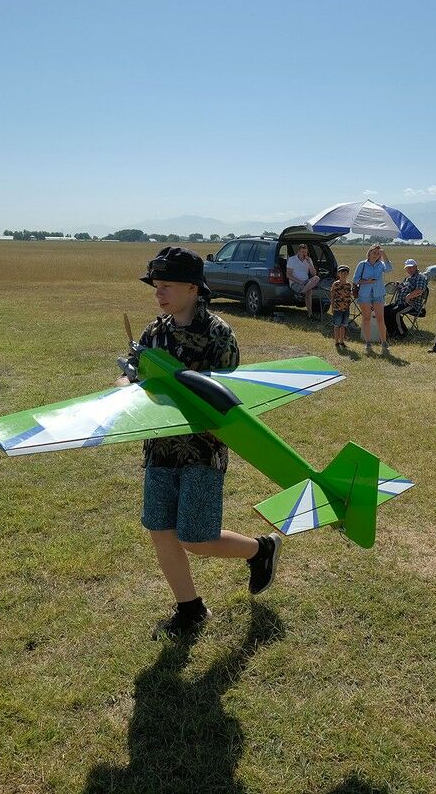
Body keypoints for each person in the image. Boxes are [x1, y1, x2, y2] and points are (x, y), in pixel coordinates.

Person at [126, 247, 282, 638]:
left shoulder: (218, 334)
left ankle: (260, 549)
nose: (158, 293)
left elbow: (226, 398)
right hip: (159, 449)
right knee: (160, 530)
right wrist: (124, 385)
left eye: (167, 285)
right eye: (156, 286)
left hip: (202, 452)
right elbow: (132, 377)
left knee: (196, 538)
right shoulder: (153, 332)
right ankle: (190, 609)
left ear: (193, 288)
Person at [354, 243, 391, 353]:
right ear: (369, 253)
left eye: (378, 253)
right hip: (365, 294)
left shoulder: (381, 264)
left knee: (380, 319)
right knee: (366, 318)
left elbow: (389, 269)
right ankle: (368, 343)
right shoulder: (362, 264)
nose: (375, 255)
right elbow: (355, 280)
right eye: (374, 252)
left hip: (378, 294)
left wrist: (384, 254)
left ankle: (384, 343)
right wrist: (367, 281)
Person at [383, 259, 428, 338]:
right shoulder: (407, 278)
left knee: (395, 312)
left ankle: (400, 334)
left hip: (412, 304)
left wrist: (408, 296)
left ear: (416, 267)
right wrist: (398, 286)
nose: (409, 269)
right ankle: (391, 331)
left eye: (411, 267)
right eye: (407, 268)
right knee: (385, 310)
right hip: (401, 303)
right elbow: (402, 288)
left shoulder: (420, 277)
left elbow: (419, 290)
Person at [286, 243, 322, 317]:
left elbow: (314, 274)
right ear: (298, 251)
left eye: (305, 252)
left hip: (306, 281)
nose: (304, 254)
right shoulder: (292, 259)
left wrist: (309, 264)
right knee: (309, 291)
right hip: (295, 282)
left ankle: (301, 293)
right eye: (302, 252)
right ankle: (310, 314)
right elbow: (288, 275)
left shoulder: (309, 259)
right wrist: (299, 281)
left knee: (317, 278)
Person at [329, 264, 354, 351]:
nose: (344, 274)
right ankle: (336, 341)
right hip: (337, 308)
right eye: (341, 272)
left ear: (348, 274)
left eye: (346, 272)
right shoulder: (336, 284)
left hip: (346, 308)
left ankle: (342, 341)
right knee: (337, 325)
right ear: (338, 274)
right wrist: (332, 307)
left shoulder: (348, 285)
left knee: (343, 325)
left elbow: (349, 294)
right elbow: (332, 296)